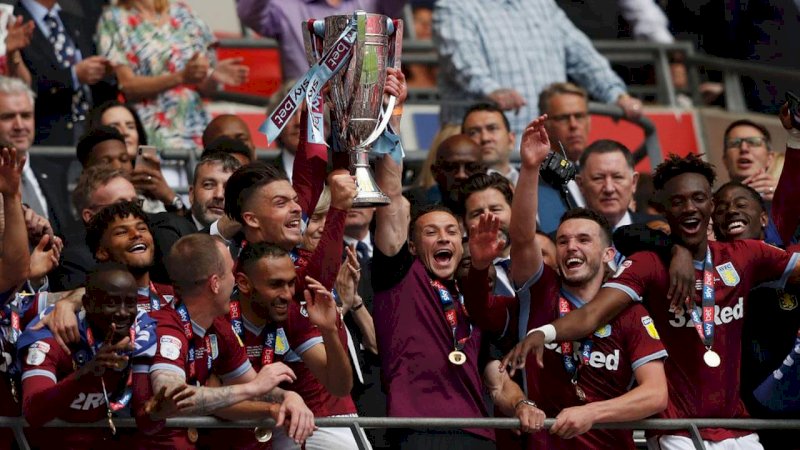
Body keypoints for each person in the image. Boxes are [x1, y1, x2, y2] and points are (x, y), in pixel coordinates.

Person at [505, 152, 800, 449]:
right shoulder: (648, 264)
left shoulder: (745, 255)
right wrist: (545, 332)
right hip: (677, 431)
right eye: (677, 201)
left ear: (711, 204)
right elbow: (593, 313)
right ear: (663, 209)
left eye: (698, 198)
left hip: (737, 429)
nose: (689, 208)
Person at [465, 115, 668, 449]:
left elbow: (655, 394)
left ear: (607, 254)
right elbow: (523, 237)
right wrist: (529, 168)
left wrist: (593, 413)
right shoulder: (540, 292)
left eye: (584, 240)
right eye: (562, 241)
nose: (572, 246)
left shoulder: (628, 311)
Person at [133, 233, 314, 448]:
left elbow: (251, 381)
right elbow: (172, 396)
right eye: (230, 272)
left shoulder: (218, 326)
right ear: (215, 283)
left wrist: (289, 397)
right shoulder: (166, 327)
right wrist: (252, 389)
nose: (235, 281)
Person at [218, 242, 358, 450]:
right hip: (221, 440)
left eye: (291, 283)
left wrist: (328, 330)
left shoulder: (291, 314)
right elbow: (215, 401)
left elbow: (339, 386)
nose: (287, 294)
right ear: (244, 283)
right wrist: (273, 407)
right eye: (276, 284)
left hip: (267, 440)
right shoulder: (222, 320)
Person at [433, 0, 642, 138]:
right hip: (486, 154)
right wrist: (492, 91)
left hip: (546, 147)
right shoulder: (454, 5)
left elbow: (583, 56)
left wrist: (616, 94)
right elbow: (462, 62)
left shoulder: (542, 4)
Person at [18, 263, 158, 448]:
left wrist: (157, 413)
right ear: (87, 304)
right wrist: (85, 375)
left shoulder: (142, 332)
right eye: (111, 303)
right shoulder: (50, 336)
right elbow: (33, 412)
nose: (123, 312)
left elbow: (147, 422)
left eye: (130, 303)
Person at [96, 0, 249, 151]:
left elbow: (205, 87)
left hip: (195, 128)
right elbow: (127, 86)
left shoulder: (184, 13)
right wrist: (180, 77)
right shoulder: (113, 18)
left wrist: (212, 76)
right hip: (152, 134)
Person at [15, 0, 117, 145]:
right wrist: (74, 76)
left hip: (90, 132)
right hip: (45, 141)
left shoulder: (74, 19)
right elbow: (22, 84)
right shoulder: (11, 20)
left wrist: (105, 72)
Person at [235, 0, 406, 80]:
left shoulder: (370, 3)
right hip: (307, 114)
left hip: (362, 113)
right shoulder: (284, 5)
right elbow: (249, 14)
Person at [0, 75, 77, 236]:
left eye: (26, 115)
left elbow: (68, 236)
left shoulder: (54, 172)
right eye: (8, 117)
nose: (19, 126)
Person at [148, 152, 242, 283]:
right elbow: (176, 275)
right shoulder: (167, 225)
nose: (219, 195)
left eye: (229, 189)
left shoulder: (246, 238)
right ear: (191, 194)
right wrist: (219, 231)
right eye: (209, 184)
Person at [51, 167, 140, 291]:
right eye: (121, 205)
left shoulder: (148, 242)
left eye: (136, 203)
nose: (133, 212)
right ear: (90, 216)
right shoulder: (75, 258)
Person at [576, 139, 660, 231]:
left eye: (617, 177)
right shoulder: (567, 238)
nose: (609, 188)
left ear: (633, 182)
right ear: (581, 185)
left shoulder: (660, 231)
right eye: (598, 178)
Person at [461, 173, 514, 296]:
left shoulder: (539, 260)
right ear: (464, 224)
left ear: (513, 212)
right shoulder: (458, 273)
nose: (489, 218)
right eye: (477, 213)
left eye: (495, 209)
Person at [404, 134, 485, 214]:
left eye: (471, 167)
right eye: (451, 167)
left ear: (484, 171)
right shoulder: (412, 205)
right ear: (435, 172)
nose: (461, 175)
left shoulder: (495, 204)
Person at [721, 119, 778, 201]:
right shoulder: (712, 206)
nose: (744, 148)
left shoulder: (792, 199)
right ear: (725, 160)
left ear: (770, 158)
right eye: (734, 143)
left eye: (753, 142)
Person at [462, 103, 518, 186]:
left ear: (511, 140)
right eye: (473, 133)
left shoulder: (536, 184)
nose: (485, 138)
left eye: (492, 128)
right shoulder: (452, 192)